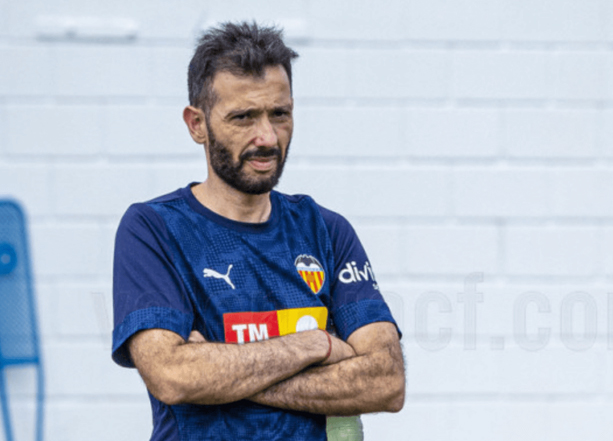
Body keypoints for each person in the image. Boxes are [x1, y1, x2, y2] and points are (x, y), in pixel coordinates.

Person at [111, 21, 405, 441]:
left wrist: (220, 376)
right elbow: (173, 376)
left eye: (279, 114)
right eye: (243, 117)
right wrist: (314, 345)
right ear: (197, 124)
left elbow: (385, 382)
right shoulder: (154, 229)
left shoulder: (326, 231)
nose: (266, 137)